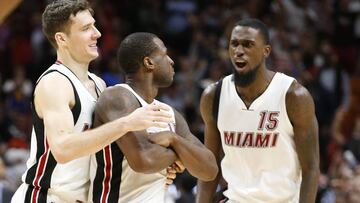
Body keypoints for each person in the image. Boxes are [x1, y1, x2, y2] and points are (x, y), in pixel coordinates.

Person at [11, 1, 172, 203]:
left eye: (94, 25)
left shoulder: (99, 84)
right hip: (45, 197)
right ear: (62, 39)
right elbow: (63, 149)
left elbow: (110, 151)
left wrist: (161, 167)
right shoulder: (55, 82)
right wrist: (127, 123)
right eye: (86, 28)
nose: (97, 33)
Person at [196, 18, 320, 203]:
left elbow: (311, 168)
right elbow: (209, 166)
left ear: (266, 51)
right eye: (234, 44)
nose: (239, 51)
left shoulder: (293, 96)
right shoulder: (213, 96)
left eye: (248, 45)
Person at [88, 32, 218, 203]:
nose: (171, 61)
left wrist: (173, 140)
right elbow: (144, 160)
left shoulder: (169, 112)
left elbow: (210, 169)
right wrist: (182, 155)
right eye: (164, 54)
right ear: (149, 62)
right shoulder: (118, 97)